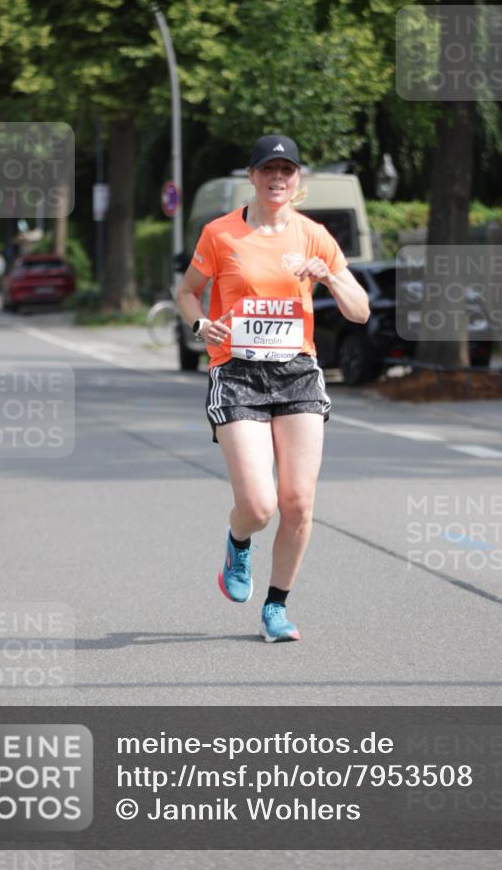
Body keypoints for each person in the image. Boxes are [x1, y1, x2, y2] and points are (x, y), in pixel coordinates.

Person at [177, 134, 370, 642]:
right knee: (260, 505)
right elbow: (187, 293)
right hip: (237, 373)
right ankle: (239, 539)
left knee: (298, 502)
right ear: (253, 176)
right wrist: (201, 327)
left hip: (298, 372)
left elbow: (360, 309)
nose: (278, 178)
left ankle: (276, 607)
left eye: (287, 170)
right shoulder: (220, 234)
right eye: (268, 170)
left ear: (298, 179)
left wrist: (329, 275)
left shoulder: (314, 236)